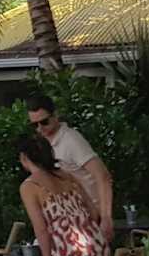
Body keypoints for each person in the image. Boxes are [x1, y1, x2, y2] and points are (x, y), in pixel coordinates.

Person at [26, 91, 113, 224]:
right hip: (69, 219)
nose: (39, 128)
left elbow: (103, 176)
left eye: (44, 122)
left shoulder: (71, 140)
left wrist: (106, 217)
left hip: (91, 216)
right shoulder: (42, 143)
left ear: (55, 115)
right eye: (34, 125)